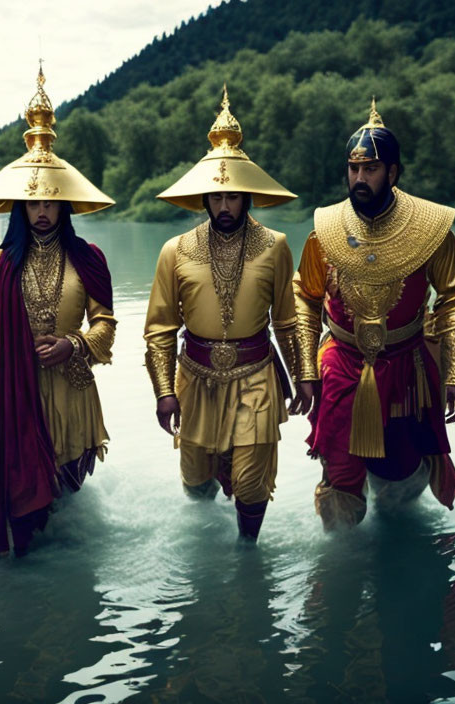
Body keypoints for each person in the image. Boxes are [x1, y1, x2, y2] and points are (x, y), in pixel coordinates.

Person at [292, 99, 455, 529]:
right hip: (340, 363)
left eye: (370, 169)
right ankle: (341, 563)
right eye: (353, 169)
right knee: (340, 475)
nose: (360, 178)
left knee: (402, 474)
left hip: (407, 367)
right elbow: (304, 296)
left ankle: (398, 541)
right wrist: (304, 368)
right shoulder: (325, 227)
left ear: (392, 173)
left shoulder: (432, 229)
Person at [0, 67, 116, 555]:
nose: (42, 210)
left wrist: (74, 343)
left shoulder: (89, 258)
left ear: (64, 203)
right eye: (33, 202)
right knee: (28, 512)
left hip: (72, 393)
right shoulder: (0, 265)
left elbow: (106, 329)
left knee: (65, 502)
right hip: (17, 394)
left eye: (51, 201)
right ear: (19, 207)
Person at [144, 86, 299, 541]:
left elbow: (288, 320)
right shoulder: (175, 250)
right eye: (217, 198)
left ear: (247, 196)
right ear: (204, 200)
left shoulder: (276, 247)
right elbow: (158, 331)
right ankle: (205, 544)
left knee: (252, 481)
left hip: (256, 374)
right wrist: (162, 391)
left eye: (233, 197)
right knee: (195, 479)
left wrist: (305, 375)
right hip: (195, 378)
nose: (225, 206)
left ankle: (248, 555)